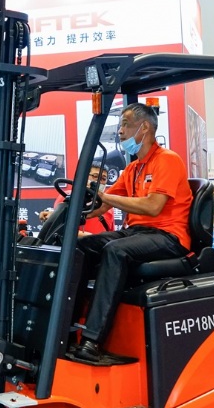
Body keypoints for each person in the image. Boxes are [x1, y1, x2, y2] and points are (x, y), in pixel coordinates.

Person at [70, 103, 193, 364]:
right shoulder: (133, 168)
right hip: (137, 233)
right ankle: (67, 330)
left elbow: (153, 206)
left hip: (168, 236)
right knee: (81, 246)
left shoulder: (167, 160)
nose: (120, 131)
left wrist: (106, 198)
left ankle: (92, 341)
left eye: (125, 124)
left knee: (115, 250)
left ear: (144, 127)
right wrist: (71, 213)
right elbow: (103, 203)